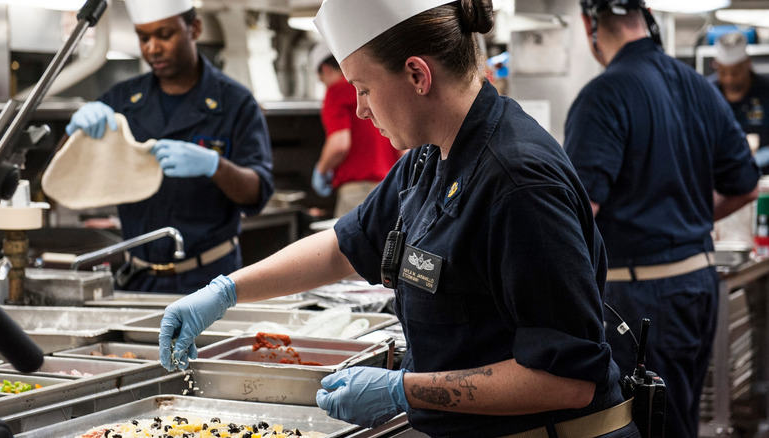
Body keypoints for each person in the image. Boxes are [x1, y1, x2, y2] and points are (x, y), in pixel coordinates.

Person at [158, 0, 638, 436]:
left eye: (364, 89)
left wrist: (401, 391)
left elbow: (566, 381)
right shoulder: (432, 156)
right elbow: (343, 246)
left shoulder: (518, 184)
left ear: (417, 75)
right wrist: (226, 292)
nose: (362, 109)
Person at [564, 2, 760, 437]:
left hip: (640, 299)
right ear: (645, 13)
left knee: (640, 427)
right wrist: (682, 218)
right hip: (697, 287)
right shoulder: (698, 86)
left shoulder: (605, 94)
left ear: (588, 23)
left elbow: (577, 215)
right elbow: (745, 184)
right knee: (679, 421)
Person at [63, 0, 274, 293]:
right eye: (144, 37)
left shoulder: (235, 102)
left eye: (165, 34)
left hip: (209, 280)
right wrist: (77, 132)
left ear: (194, 29)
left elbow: (257, 194)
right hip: (138, 281)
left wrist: (215, 166)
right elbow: (67, 167)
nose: (153, 48)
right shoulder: (123, 99)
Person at [309, 42, 401, 218]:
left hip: (358, 193)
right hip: (390, 187)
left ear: (326, 69)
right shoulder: (373, 87)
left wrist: (321, 170)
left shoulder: (336, 91)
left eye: (321, 79)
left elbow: (339, 144)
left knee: (349, 245)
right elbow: (403, 148)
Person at [709, 31, 769, 172]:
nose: (729, 79)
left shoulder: (766, 92)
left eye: (735, 73)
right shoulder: (708, 93)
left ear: (747, 64)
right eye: (723, 72)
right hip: (720, 176)